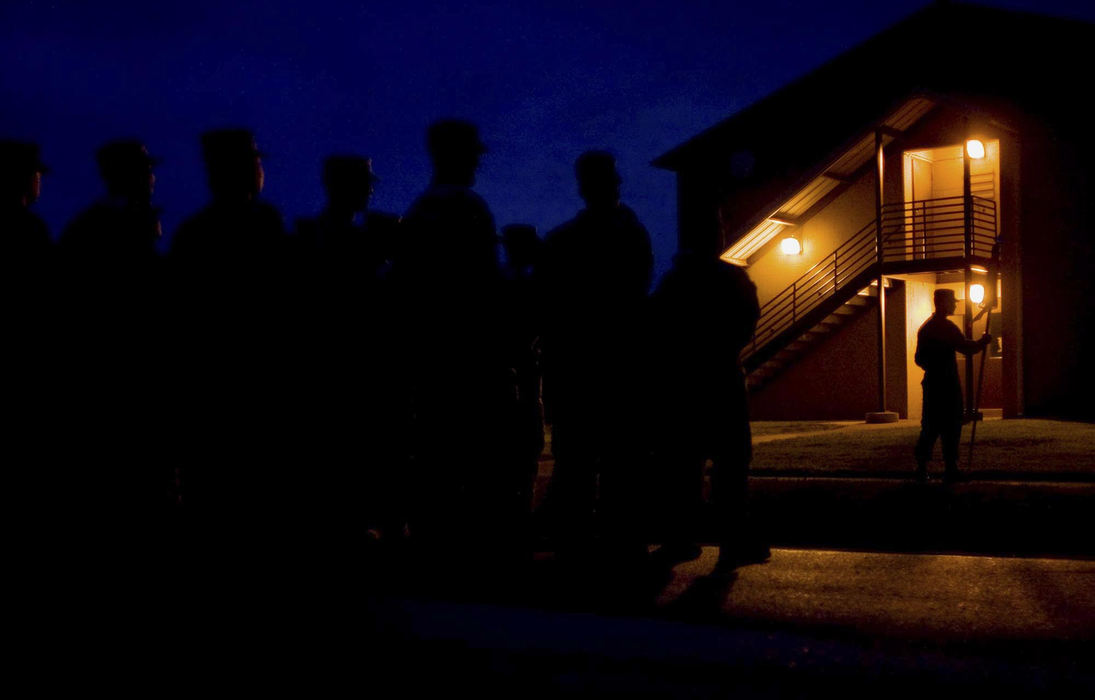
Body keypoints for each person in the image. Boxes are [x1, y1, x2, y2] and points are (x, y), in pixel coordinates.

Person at [395, 119, 519, 563]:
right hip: (471, 359)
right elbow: (486, 290)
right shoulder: (469, 209)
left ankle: (434, 546)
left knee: (435, 456)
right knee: (476, 459)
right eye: (471, 155)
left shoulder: (418, 212)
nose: (475, 164)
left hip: (431, 360)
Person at [169, 129, 290, 559]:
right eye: (255, 163)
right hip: (254, 396)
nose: (261, 171)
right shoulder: (264, 225)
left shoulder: (191, 234)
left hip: (209, 397)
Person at [535, 150, 653, 564]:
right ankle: (617, 538)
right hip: (615, 367)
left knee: (581, 459)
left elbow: (548, 305)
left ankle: (577, 538)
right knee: (617, 458)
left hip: (579, 369)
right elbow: (638, 291)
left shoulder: (562, 241)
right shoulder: (628, 230)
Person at [58, 140, 170, 560]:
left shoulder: (89, 226)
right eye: (144, 170)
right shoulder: (111, 228)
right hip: (121, 388)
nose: (152, 179)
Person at [295, 155, 404, 551]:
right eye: (364, 182)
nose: (371, 189)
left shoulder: (313, 238)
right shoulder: (353, 242)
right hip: (353, 383)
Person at [650, 239, 764, 571]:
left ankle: (679, 538)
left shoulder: (672, 282)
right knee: (732, 460)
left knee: (683, 462)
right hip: (721, 377)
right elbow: (747, 321)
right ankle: (732, 539)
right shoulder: (731, 279)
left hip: (683, 382)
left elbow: (657, 326)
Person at [913, 288, 992, 483]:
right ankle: (948, 467)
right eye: (952, 302)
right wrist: (982, 342)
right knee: (948, 426)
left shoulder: (927, 328)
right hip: (945, 384)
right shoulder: (944, 328)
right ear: (942, 303)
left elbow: (919, 359)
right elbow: (966, 347)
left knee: (933, 427)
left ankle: (925, 467)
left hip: (933, 383)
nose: (955, 305)